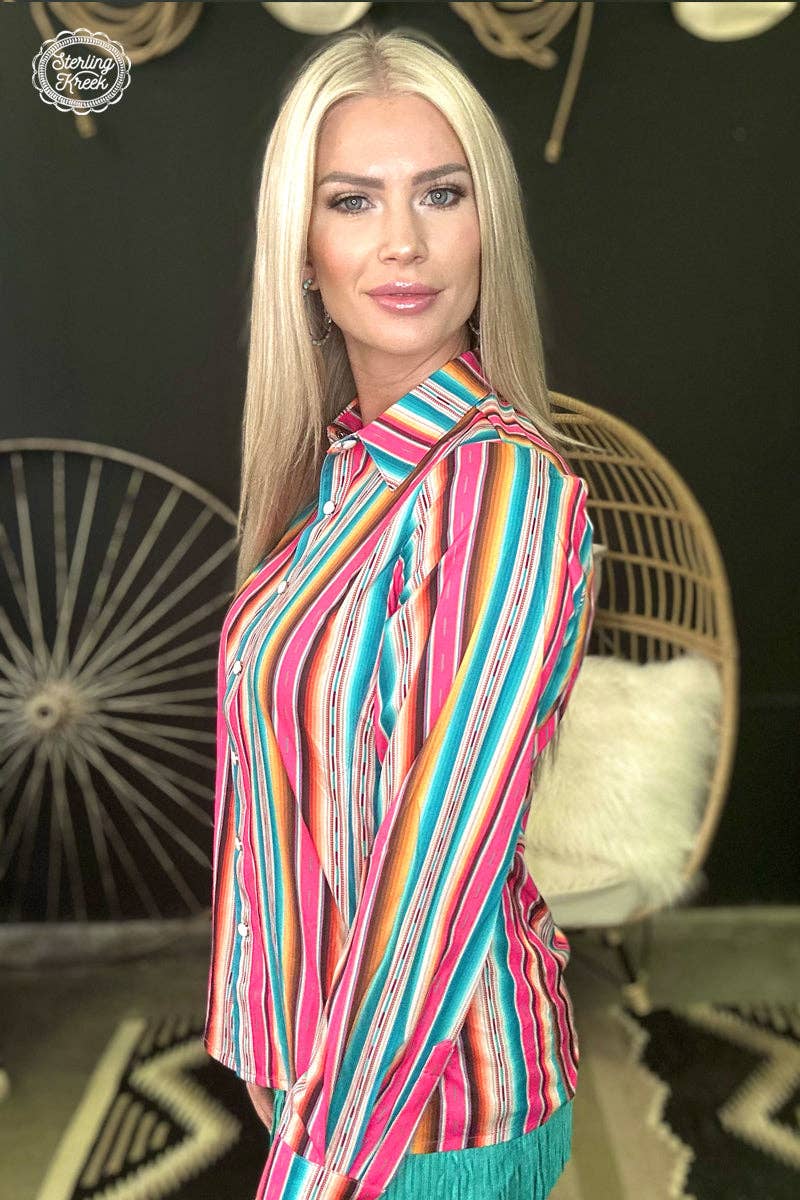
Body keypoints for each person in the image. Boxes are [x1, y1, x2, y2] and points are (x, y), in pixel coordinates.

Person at [204, 24, 596, 1200]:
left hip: (424, 1120)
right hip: (329, 1089)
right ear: (301, 250)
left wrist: (317, 1166)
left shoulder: (496, 485)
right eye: (351, 201)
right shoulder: (340, 481)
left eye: (439, 192)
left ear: (489, 228)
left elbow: (438, 862)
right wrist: (281, 1067)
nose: (403, 242)